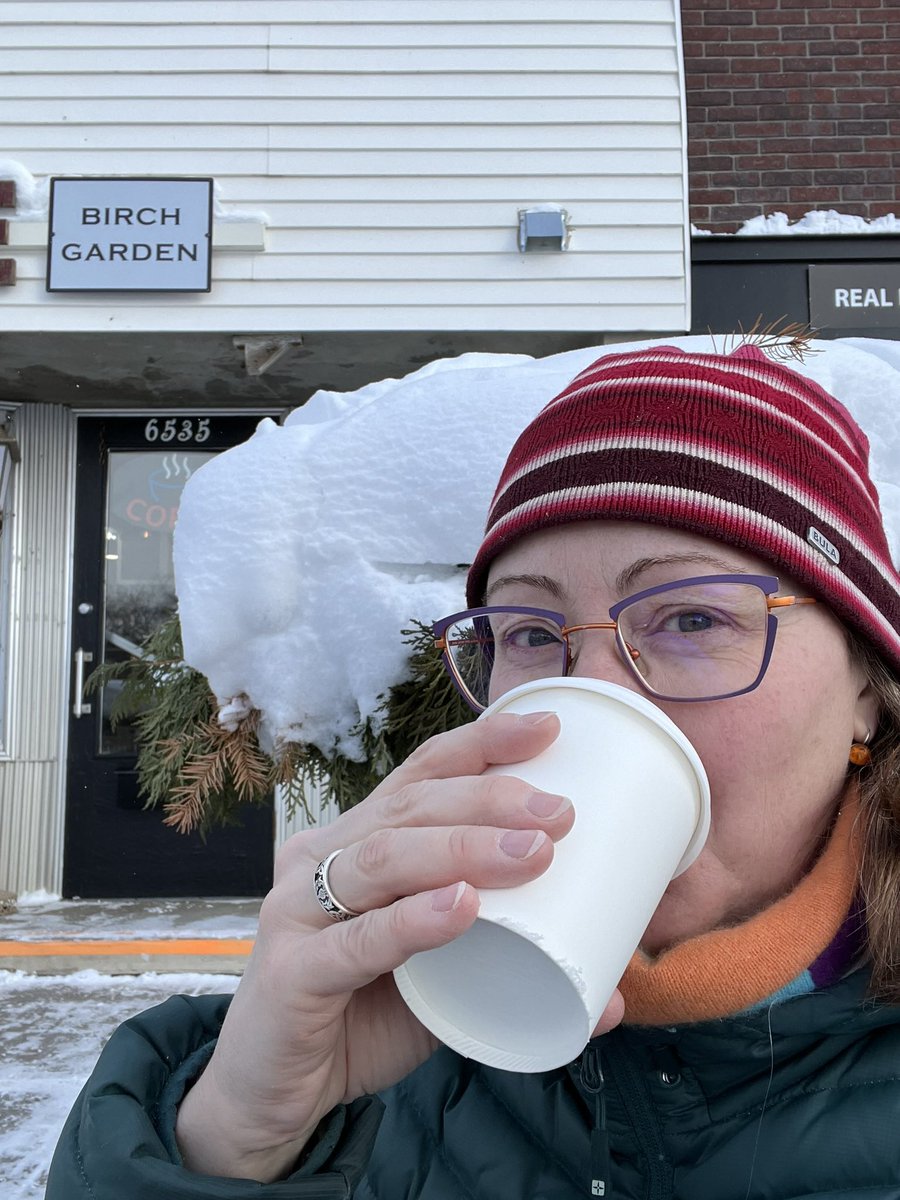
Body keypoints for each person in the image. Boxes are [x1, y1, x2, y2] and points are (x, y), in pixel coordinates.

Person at [46, 344, 900, 1199]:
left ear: (865, 688)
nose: (587, 688)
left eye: (690, 615)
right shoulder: (383, 1051)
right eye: (531, 633)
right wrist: (240, 1130)